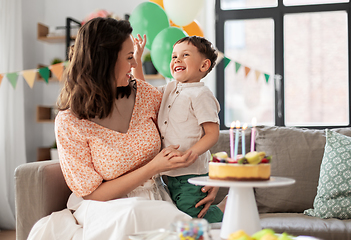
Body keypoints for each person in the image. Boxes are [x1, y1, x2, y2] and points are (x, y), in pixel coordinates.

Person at [27, 18, 200, 240]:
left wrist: (206, 177)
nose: (135, 64)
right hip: (104, 207)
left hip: (154, 202)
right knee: (133, 212)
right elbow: (93, 194)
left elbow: (190, 127)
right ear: (105, 61)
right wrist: (153, 167)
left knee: (158, 220)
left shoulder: (146, 95)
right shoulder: (70, 122)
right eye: (129, 57)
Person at [133, 35, 225, 223]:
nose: (177, 60)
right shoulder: (169, 88)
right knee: (178, 214)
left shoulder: (201, 94)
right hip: (169, 173)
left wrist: (192, 152)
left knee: (192, 217)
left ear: (204, 66)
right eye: (174, 56)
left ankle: (227, 209)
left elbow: (212, 134)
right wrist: (137, 60)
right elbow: (141, 90)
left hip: (192, 173)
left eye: (185, 55)